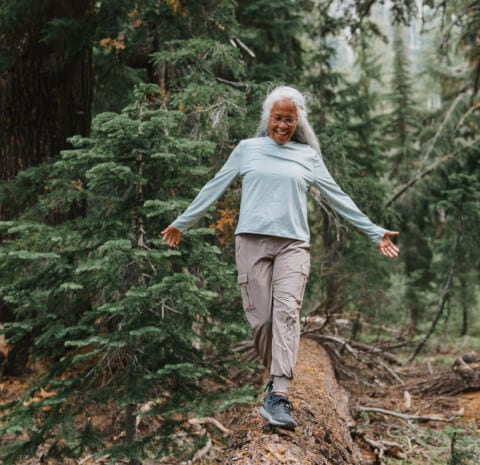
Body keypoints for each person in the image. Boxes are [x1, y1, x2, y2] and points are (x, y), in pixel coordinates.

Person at [161, 86, 399, 429]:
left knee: (287, 312)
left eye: (289, 119)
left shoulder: (307, 157)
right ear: (267, 118)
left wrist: (375, 231)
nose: (283, 125)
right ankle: (274, 380)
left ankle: (279, 395)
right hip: (251, 243)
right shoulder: (248, 150)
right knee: (262, 321)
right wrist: (184, 221)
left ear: (297, 120)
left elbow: (339, 197)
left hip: (293, 246)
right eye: (277, 118)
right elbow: (215, 185)